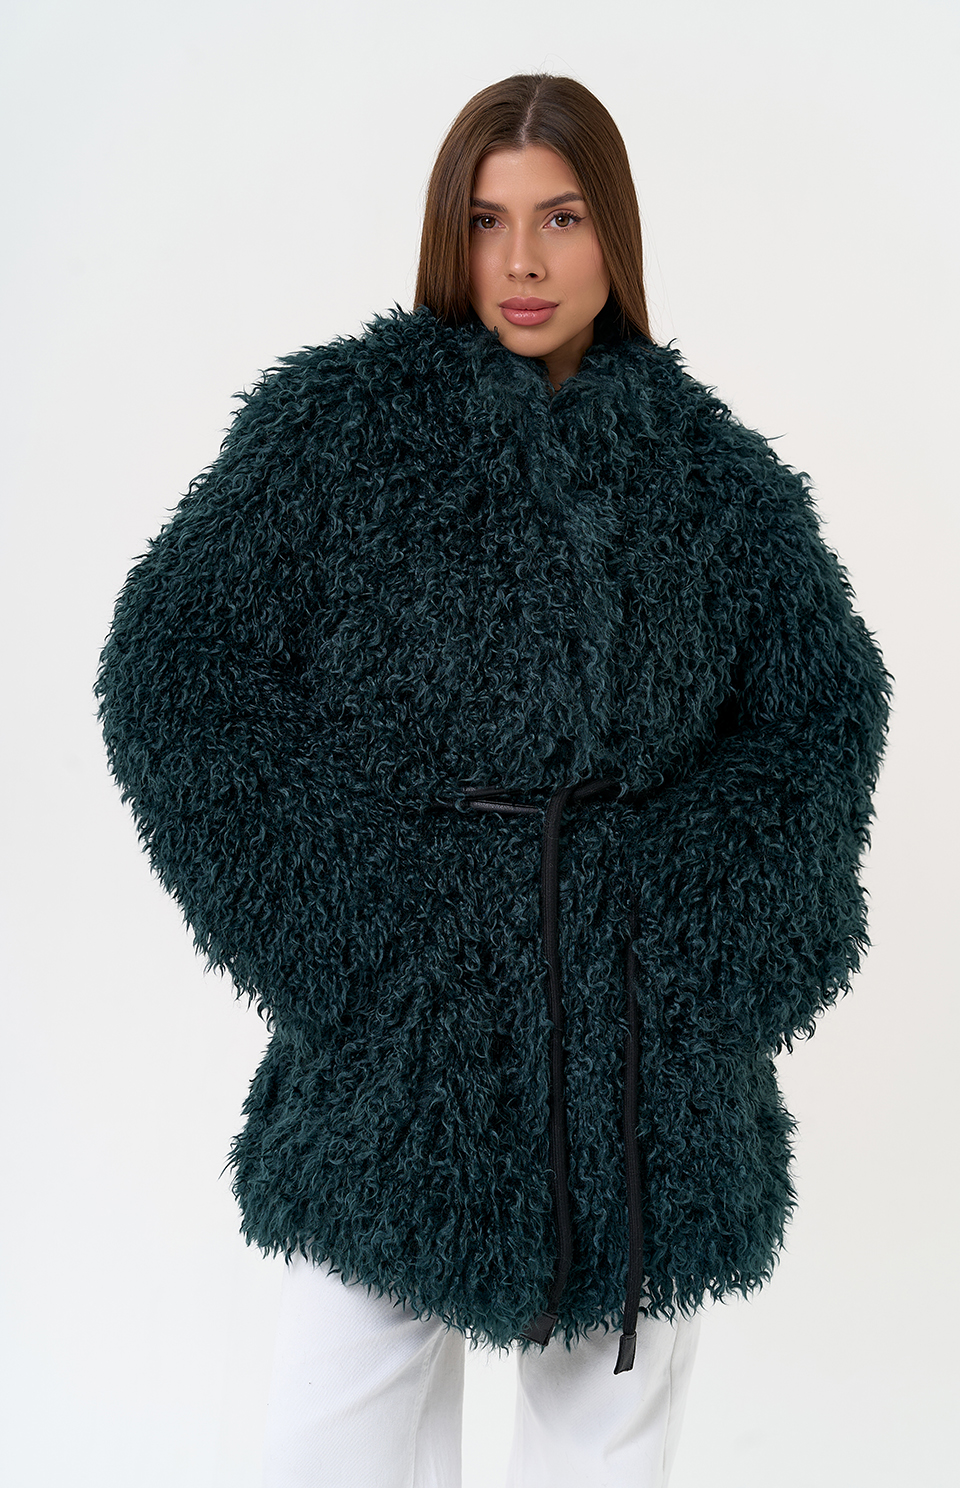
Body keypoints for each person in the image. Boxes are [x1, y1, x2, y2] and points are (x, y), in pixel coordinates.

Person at [95, 72, 890, 1488]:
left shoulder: (713, 475)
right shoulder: (341, 431)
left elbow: (824, 709)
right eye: (486, 220)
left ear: (615, 234)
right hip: (405, 1023)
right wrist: (339, 918)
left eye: (562, 217)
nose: (522, 260)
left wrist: (700, 938)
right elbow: (174, 663)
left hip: (640, 1046)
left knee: (605, 1447)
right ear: (446, 236)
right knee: (333, 1434)